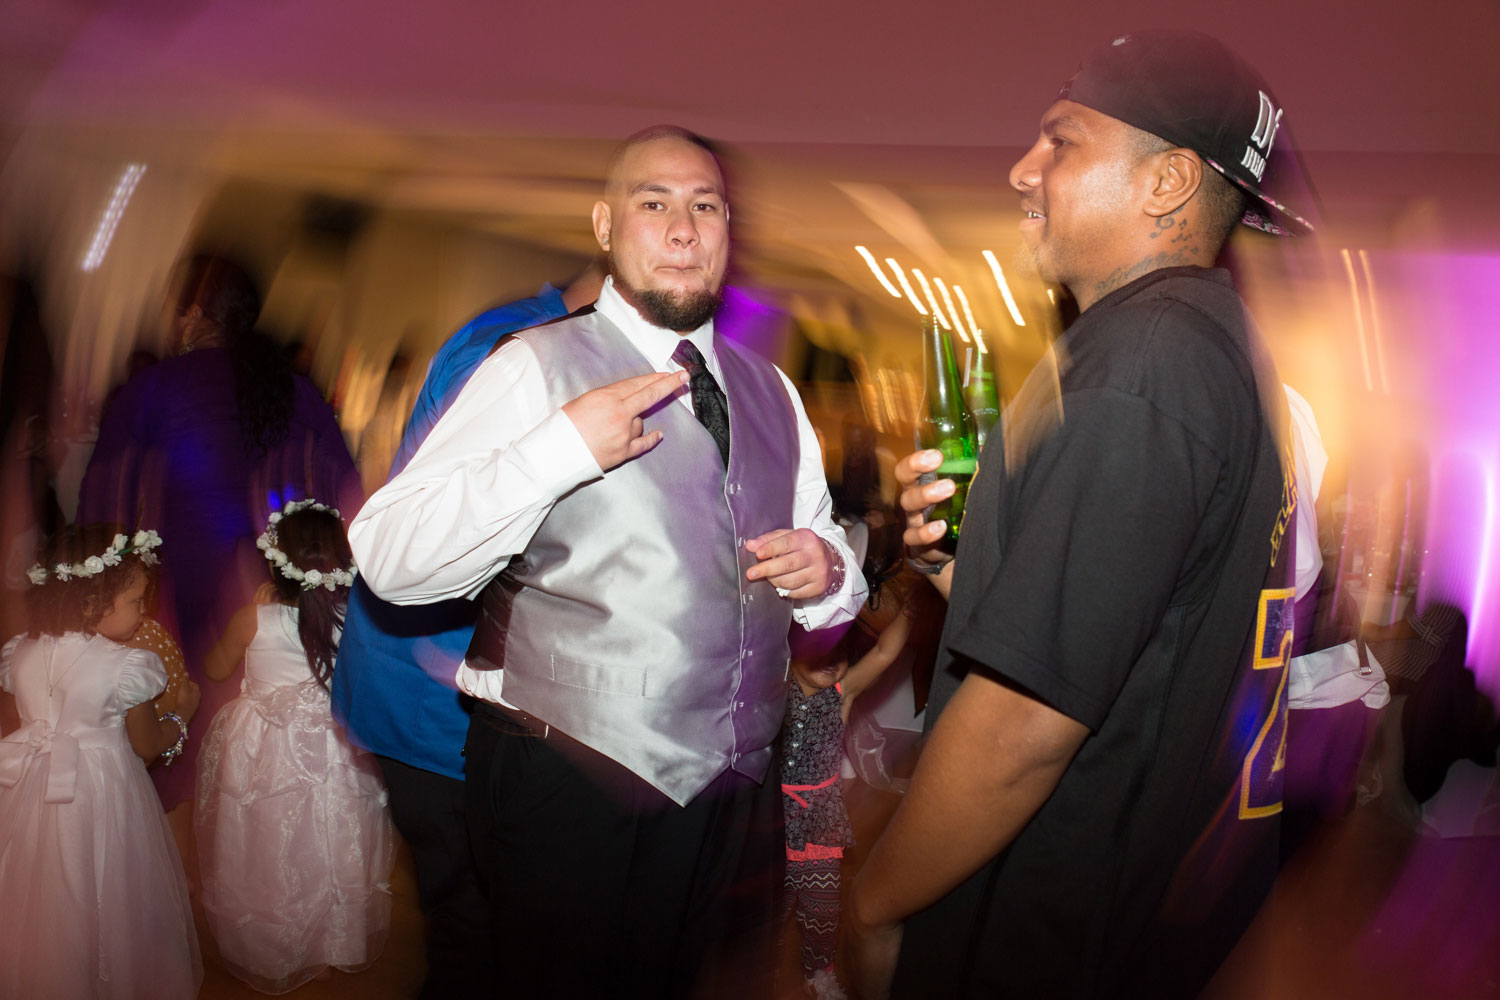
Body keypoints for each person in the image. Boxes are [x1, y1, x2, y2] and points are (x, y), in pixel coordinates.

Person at [349, 125, 866, 998]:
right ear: (604, 226)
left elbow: (827, 561)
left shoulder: (774, 391)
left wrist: (827, 571)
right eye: (653, 202)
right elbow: (391, 560)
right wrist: (557, 451)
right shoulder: (532, 365)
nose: (681, 228)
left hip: (725, 785)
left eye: (705, 207)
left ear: (727, 232)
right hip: (565, 776)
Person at [845, 30, 1311, 998]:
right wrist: (960, 567)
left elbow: (1026, 721)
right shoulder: (1211, 349)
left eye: (1061, 141)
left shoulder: (1144, 368)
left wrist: (876, 898)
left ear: (1168, 182)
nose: (1024, 169)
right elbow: (1113, 641)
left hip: (1032, 931)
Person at [330, 264, 602, 999]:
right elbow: (456, 533)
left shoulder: (531, 336)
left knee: (482, 927)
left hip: (436, 690)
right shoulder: (519, 352)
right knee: (473, 932)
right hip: (434, 701)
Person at [77, 253, 363, 809]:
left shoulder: (153, 390)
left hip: (173, 592)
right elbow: (348, 496)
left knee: (176, 738)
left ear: (194, 312)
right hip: (271, 600)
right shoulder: (296, 392)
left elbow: (100, 507)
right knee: (257, 765)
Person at [195, 499, 394, 994]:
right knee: (334, 837)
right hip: (335, 746)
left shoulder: (252, 619)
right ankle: (335, 940)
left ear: (273, 562)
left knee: (270, 843)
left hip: (262, 748)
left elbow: (216, 670)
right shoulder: (353, 619)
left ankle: (277, 944)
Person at [0, 525, 203, 999]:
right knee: (107, 896)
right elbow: (149, 745)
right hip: (104, 797)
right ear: (92, 602)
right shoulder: (125, 666)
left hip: (29, 791)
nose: (143, 611)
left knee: (40, 899)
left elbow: (24, 724)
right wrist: (183, 716)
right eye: (136, 600)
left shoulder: (20, 651)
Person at [780, 593, 914, 1000]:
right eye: (817, 649)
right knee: (768, 909)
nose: (829, 658)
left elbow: (887, 651)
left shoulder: (842, 694)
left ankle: (819, 974)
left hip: (820, 820)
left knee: (822, 909)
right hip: (773, 822)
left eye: (839, 651)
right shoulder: (773, 690)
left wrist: (913, 606)